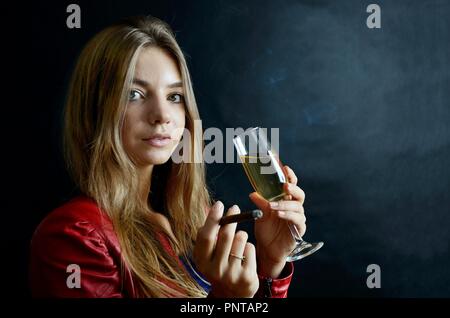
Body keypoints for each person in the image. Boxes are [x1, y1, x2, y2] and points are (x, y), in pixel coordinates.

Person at [29, 15, 307, 298]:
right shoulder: (74, 236)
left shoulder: (189, 216)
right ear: (95, 109)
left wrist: (271, 264)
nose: (162, 116)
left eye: (174, 96)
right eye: (134, 94)